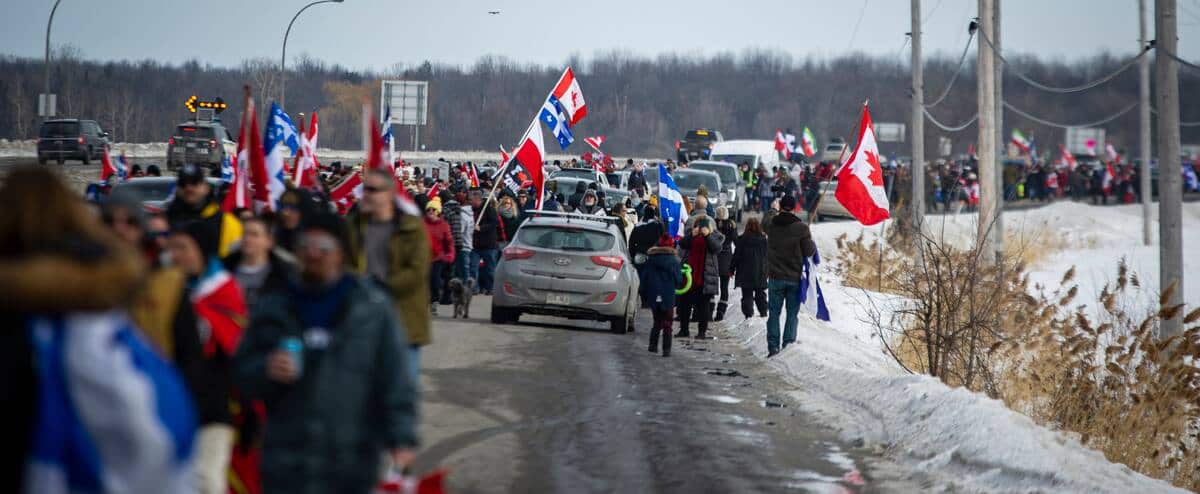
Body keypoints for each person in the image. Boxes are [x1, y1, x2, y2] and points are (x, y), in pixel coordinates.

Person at [0, 166, 197, 494]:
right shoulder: (97, 311)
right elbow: (153, 430)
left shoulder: (154, 289)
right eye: (111, 222)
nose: (121, 231)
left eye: (131, 222)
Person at [233, 212, 418, 494]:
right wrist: (265, 369)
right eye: (306, 246)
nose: (314, 254)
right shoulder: (274, 306)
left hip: (351, 459)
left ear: (341, 253)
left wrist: (401, 438)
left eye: (324, 248)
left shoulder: (371, 307)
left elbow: (395, 377)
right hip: (286, 459)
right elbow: (241, 370)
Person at [167, 216, 248, 494]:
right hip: (172, 403)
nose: (174, 255)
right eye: (172, 248)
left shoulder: (223, 291)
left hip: (213, 405)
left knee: (206, 480)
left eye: (182, 248)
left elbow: (233, 347)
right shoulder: (164, 287)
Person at [347, 169, 432, 381]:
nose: (365, 194)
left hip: (402, 320)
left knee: (401, 390)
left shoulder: (412, 228)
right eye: (364, 188)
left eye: (372, 190)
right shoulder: (354, 226)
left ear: (388, 194)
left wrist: (379, 287)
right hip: (362, 321)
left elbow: (416, 271)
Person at [763, 195, 817, 357]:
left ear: (781, 207)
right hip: (794, 278)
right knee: (792, 314)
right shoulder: (801, 228)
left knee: (773, 313)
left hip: (775, 277)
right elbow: (809, 251)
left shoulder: (771, 225)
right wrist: (810, 239)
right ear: (794, 207)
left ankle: (773, 347)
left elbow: (764, 222)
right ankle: (787, 346)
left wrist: (773, 209)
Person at [165, 163, 242, 257]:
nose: (189, 188)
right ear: (177, 189)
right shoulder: (165, 222)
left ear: (206, 187)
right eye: (183, 184)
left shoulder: (226, 222)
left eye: (194, 182)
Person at [223, 216, 295, 309]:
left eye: (254, 235)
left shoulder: (284, 275)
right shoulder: (224, 270)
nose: (247, 239)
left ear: (269, 241)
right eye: (244, 234)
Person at [675, 217, 724, 340]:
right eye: (698, 225)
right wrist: (692, 234)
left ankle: (701, 332)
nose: (701, 228)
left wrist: (707, 236)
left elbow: (716, 248)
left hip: (705, 276)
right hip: (689, 274)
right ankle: (684, 329)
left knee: (703, 306)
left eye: (703, 225)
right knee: (684, 303)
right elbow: (682, 244)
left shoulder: (715, 236)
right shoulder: (691, 235)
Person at [639, 234, 684, 357]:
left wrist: (643, 293)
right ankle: (666, 349)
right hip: (668, 295)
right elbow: (679, 279)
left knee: (657, 321)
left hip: (654, 295)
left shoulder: (651, 260)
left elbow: (644, 278)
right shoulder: (674, 261)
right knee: (668, 323)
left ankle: (652, 345)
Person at [731, 217, 769, 319]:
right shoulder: (763, 240)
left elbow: (736, 256)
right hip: (760, 272)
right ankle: (763, 312)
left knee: (747, 295)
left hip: (745, 272)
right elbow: (768, 256)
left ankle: (748, 314)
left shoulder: (742, 240)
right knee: (760, 294)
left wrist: (731, 269)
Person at [424, 197, 455, 316]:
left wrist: (450, 254)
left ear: (438, 212)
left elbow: (449, 241)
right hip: (422, 257)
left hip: (437, 258)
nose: (431, 212)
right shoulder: (422, 223)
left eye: (433, 210)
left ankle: (434, 302)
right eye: (428, 210)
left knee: (435, 281)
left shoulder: (443, 225)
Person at [469, 190, 502, 295]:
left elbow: (494, 223)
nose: (471, 202)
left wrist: (481, 228)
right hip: (476, 245)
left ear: (478, 199)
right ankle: (475, 288)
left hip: (489, 245)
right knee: (473, 267)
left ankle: (490, 288)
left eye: (472, 200)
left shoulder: (489, 209)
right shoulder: (472, 210)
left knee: (490, 270)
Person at [713, 206, 738, 321]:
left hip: (713, 258)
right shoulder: (731, 226)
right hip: (727, 258)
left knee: (711, 286)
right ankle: (720, 312)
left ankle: (709, 309)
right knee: (724, 287)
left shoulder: (712, 225)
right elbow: (737, 242)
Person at [443, 193, 473, 281]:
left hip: (460, 244)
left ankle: (463, 286)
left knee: (460, 269)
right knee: (462, 268)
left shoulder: (461, 215)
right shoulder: (466, 213)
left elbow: (460, 230)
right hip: (464, 243)